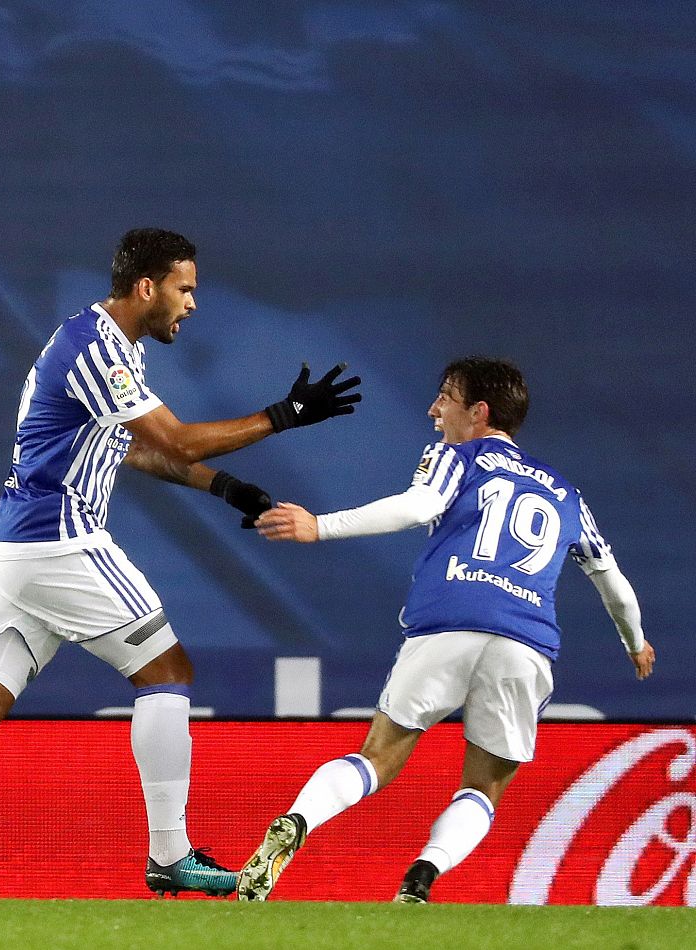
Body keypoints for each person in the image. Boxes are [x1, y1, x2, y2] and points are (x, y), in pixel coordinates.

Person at [0, 227, 363, 899]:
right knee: (167, 670)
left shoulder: (106, 342)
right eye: (185, 290)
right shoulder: (97, 349)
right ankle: (170, 854)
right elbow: (175, 436)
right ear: (146, 288)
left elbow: (131, 448)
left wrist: (222, 486)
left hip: (17, 545)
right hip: (58, 540)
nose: (192, 304)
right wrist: (284, 414)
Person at [237, 356, 653, 903]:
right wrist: (635, 642)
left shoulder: (457, 457)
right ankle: (423, 876)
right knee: (483, 786)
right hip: (524, 645)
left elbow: (419, 505)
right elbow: (613, 583)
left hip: (448, 624)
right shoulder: (566, 494)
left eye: (446, 398)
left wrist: (320, 525)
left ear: (478, 412)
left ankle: (297, 821)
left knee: (377, 758)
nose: (434, 410)